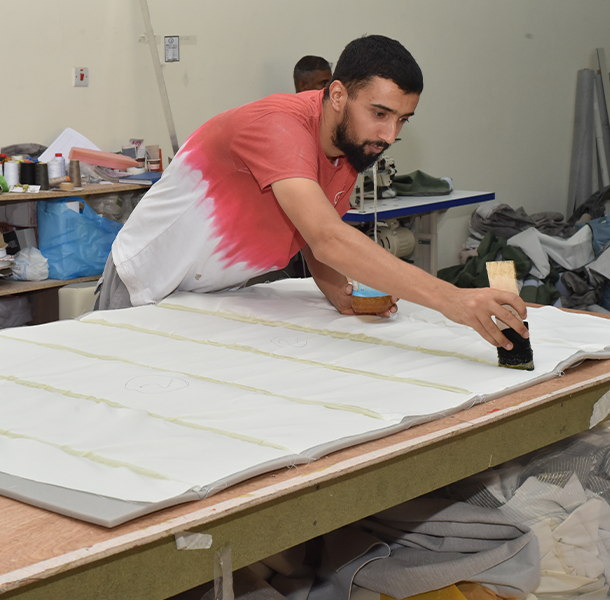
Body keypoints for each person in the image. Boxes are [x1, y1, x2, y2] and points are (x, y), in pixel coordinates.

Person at [96, 34, 528, 352]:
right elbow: (327, 237)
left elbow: (311, 229)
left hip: (218, 292)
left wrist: (334, 286)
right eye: (380, 114)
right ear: (337, 94)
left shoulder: (349, 148)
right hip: (149, 283)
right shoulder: (279, 127)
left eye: (402, 120)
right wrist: (452, 299)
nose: (389, 135)